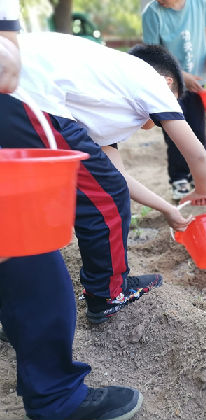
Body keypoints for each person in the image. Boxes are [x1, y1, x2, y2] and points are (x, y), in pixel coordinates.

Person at [2, 33, 206, 324]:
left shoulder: (100, 89)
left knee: (21, 208)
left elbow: (117, 177)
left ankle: (16, 316)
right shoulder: (149, 79)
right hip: (24, 94)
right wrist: (203, 191)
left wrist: (168, 208)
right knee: (104, 197)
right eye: (173, 102)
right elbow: (196, 153)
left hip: (15, 92)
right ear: (167, 84)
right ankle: (108, 293)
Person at [0, 2, 143, 419]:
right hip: (19, 113)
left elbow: (115, 178)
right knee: (32, 261)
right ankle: (56, 397)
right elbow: (7, 69)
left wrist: (169, 207)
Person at [142, 0, 206, 201]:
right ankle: (179, 179)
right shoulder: (153, 12)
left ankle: (197, 178)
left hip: (198, 79)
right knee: (175, 130)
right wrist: (181, 75)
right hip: (170, 82)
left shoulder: (200, 4)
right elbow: (153, 55)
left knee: (198, 129)